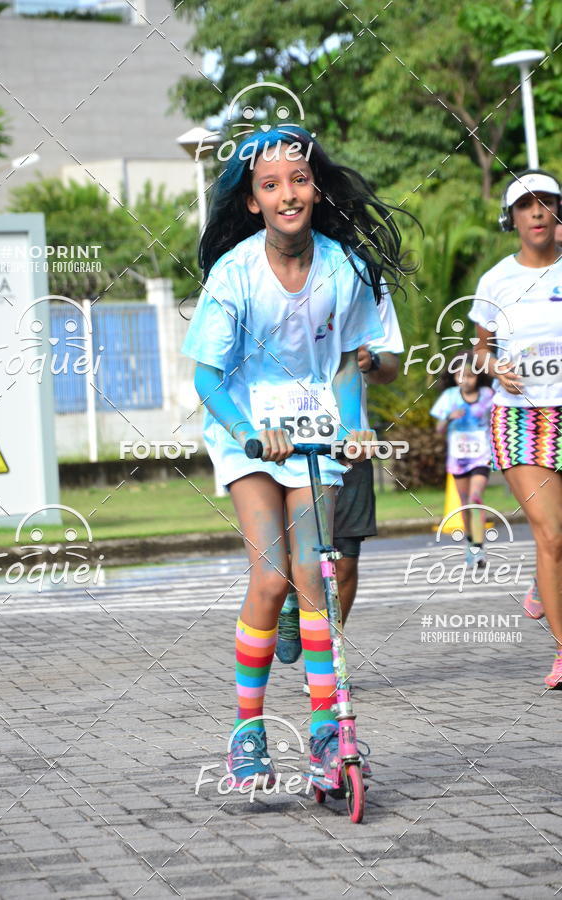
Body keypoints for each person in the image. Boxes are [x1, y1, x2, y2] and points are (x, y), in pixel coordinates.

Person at [182, 125, 413, 785]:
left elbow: (350, 360)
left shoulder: (345, 269)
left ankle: (322, 732)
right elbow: (206, 378)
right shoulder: (235, 273)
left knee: (315, 579)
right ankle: (246, 730)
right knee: (270, 578)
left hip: (314, 435)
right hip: (247, 436)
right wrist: (251, 432)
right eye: (271, 184)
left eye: (299, 180)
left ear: (315, 187)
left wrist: (359, 422)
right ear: (253, 200)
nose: (289, 193)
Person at [275, 282, 404, 668]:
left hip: (350, 444)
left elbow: (390, 366)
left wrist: (373, 363)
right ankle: (290, 599)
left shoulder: (368, 283)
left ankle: (328, 661)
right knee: (289, 556)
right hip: (283, 442)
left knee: (345, 560)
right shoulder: (267, 275)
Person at [470, 168, 562, 688]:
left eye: (545, 203)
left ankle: (541, 580)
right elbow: (480, 349)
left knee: (559, 540)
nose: (536, 212)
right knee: (550, 534)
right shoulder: (496, 280)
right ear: (512, 218)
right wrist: (491, 366)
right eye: (525, 205)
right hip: (521, 417)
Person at [430, 354, 494, 566]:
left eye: (469, 375)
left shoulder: (487, 395)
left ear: (478, 377)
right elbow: (438, 430)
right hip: (458, 459)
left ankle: (479, 548)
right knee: (466, 505)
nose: (465, 379)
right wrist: (448, 418)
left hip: (481, 457)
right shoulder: (449, 397)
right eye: (460, 375)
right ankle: (470, 541)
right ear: (455, 377)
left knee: (476, 498)